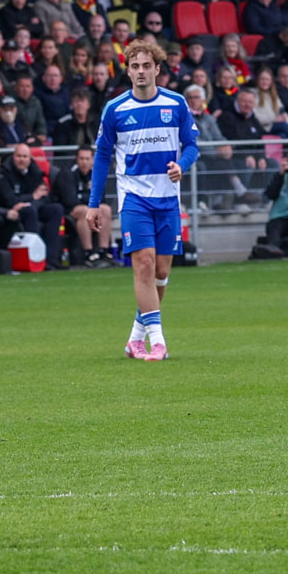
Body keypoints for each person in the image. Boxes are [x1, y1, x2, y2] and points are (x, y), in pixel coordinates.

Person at [88, 40, 198, 362]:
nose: (140, 71)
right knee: (144, 263)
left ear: (157, 69)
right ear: (127, 70)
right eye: (134, 66)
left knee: (161, 272)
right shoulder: (115, 109)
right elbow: (102, 157)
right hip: (134, 197)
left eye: (146, 66)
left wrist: (182, 165)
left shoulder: (176, 104)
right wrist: (94, 203)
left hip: (168, 199)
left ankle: (135, 338)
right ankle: (158, 341)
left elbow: (192, 145)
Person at [51, 146, 113, 268]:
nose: (84, 162)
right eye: (81, 159)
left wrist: (87, 198)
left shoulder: (96, 174)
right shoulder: (67, 173)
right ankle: (88, 253)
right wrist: (88, 198)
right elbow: (70, 200)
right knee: (85, 211)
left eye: (87, 159)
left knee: (105, 209)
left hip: (87, 206)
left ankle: (103, 252)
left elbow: (102, 198)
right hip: (68, 210)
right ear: (76, 159)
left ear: (92, 160)